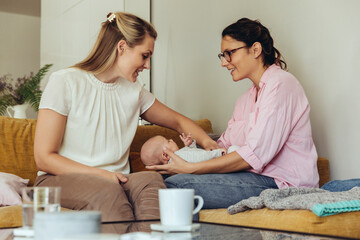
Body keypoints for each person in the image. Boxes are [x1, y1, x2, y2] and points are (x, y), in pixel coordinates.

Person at [33, 11, 219, 221]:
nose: (147, 65)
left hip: (117, 180)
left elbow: (177, 121)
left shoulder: (133, 91)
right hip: (58, 180)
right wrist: (102, 175)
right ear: (122, 47)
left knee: (152, 182)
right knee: (107, 191)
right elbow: (44, 158)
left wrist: (207, 142)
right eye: (144, 55)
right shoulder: (65, 82)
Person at [146, 18, 319, 209]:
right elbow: (222, 147)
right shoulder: (245, 99)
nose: (224, 63)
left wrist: (191, 169)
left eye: (229, 53)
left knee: (177, 188)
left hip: (281, 184)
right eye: (222, 55)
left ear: (255, 50)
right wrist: (185, 156)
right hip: (251, 177)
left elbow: (254, 155)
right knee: (157, 180)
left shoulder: (282, 85)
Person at [140, 133, 234, 166]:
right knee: (235, 149)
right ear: (165, 155)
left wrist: (190, 145)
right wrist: (218, 153)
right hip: (219, 157)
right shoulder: (179, 156)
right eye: (168, 141)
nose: (172, 140)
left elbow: (192, 155)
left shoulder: (176, 160)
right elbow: (200, 157)